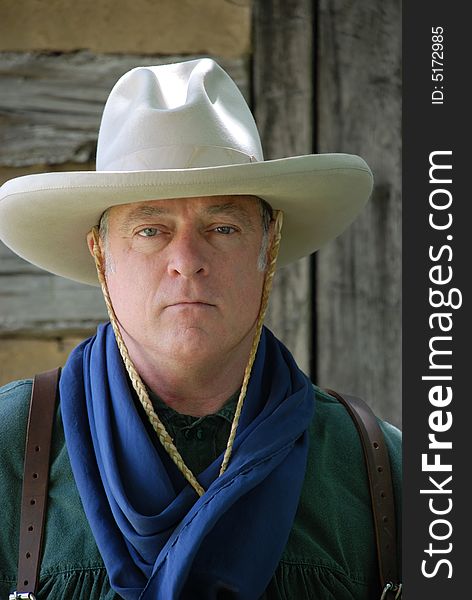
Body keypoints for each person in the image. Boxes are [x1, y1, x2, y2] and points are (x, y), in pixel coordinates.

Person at [0, 58, 401, 599]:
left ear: (268, 244)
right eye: (150, 229)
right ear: (101, 255)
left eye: (223, 226)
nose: (187, 260)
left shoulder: (382, 472)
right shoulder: (9, 453)